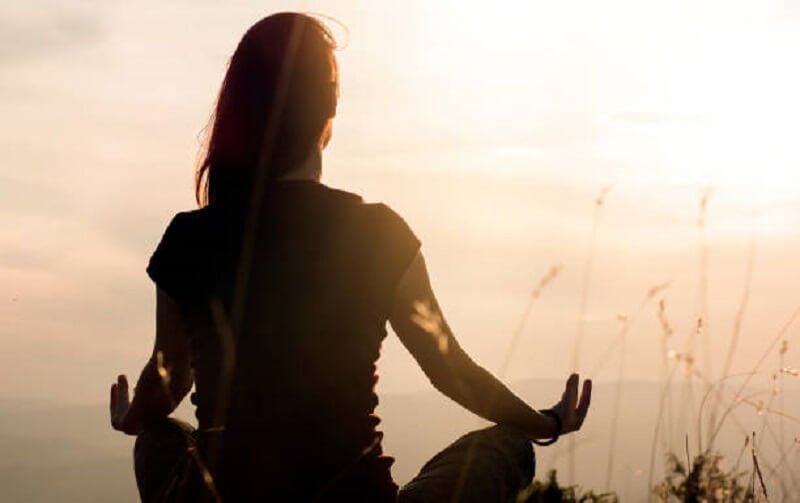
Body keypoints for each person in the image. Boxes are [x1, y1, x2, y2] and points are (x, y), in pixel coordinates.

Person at [108, 12, 592, 503]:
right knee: (509, 446)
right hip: (354, 496)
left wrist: (128, 418)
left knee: (156, 439)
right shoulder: (377, 232)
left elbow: (167, 383)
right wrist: (546, 422)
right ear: (329, 108)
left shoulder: (190, 237)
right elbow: (452, 372)